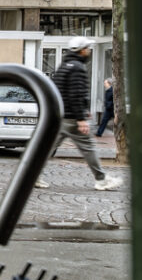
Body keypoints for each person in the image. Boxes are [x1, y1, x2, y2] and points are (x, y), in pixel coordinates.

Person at [39, 45, 122, 192]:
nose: (89, 51)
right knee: (88, 148)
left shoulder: (64, 66)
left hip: (62, 116)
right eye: (88, 49)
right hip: (72, 119)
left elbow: (59, 90)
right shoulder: (77, 67)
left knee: (48, 147)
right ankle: (101, 179)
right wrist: (81, 118)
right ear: (82, 50)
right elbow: (76, 93)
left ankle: (34, 175)